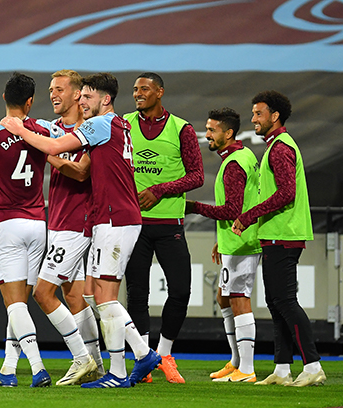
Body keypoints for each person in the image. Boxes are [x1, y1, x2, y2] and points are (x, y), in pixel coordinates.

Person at [1, 72, 161, 389]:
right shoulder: (119, 125)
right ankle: (133, 358)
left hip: (114, 219)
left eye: (87, 96)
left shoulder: (100, 124)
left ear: (105, 99)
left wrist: (19, 128)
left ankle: (118, 367)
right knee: (97, 295)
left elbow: (56, 145)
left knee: (101, 296)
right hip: (111, 218)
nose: (81, 101)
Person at [232, 91, 325, 387]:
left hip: (283, 235)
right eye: (253, 113)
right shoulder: (277, 146)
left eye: (258, 114)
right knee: (276, 303)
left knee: (285, 302)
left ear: (275, 117)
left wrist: (248, 216)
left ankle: (312, 366)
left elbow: (287, 193)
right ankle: (282, 368)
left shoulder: (281, 148)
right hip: (276, 234)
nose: (253, 119)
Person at [122, 72, 204, 384]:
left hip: (170, 223)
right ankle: (144, 358)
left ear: (160, 92)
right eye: (134, 90)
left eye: (144, 89)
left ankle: (165, 354)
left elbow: (196, 175)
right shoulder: (123, 123)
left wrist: (159, 189)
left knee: (181, 290)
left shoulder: (181, 128)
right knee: (137, 294)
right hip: (134, 224)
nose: (137, 94)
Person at [0, 73, 52, 388]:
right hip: (38, 224)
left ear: (4, 97)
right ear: (30, 101)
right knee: (20, 301)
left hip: (6, 223)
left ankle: (37, 368)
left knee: (14, 303)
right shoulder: (42, 130)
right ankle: (8, 370)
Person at [30, 70, 103, 385]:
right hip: (56, 220)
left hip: (77, 222)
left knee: (42, 292)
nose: (52, 94)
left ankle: (81, 359)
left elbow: (81, 174)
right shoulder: (53, 129)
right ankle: (98, 365)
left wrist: (51, 154)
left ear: (77, 94)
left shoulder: (89, 130)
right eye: (50, 89)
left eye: (59, 89)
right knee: (73, 297)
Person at [186, 108, 260, 382]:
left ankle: (247, 369)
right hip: (234, 241)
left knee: (239, 300)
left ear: (228, 133)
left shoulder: (233, 165)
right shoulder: (242, 156)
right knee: (224, 298)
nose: (207, 135)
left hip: (242, 243)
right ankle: (236, 361)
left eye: (213, 130)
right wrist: (221, 238)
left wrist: (194, 207)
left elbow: (232, 210)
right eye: (207, 128)